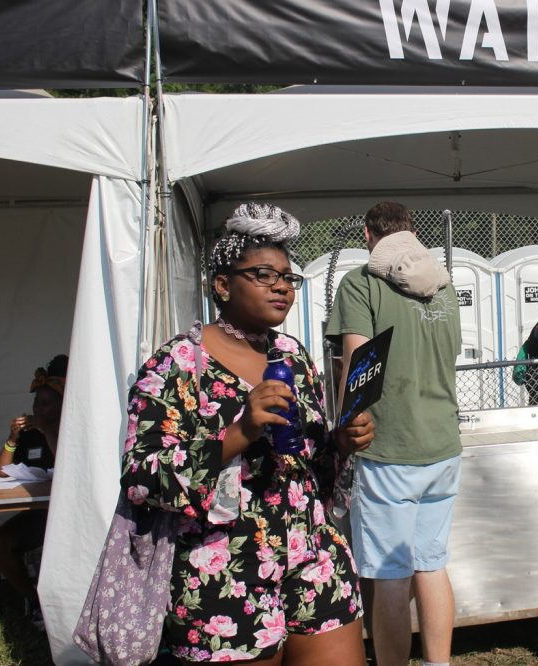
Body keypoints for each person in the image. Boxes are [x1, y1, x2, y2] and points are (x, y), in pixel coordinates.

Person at [121, 202, 374, 664]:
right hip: (225, 567)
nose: (281, 286)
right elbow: (141, 476)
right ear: (222, 284)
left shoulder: (293, 356)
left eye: (288, 277)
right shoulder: (178, 364)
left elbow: (307, 463)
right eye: (263, 274)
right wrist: (239, 432)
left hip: (312, 550)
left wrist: (339, 443)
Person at [326, 201, 461, 666]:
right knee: (432, 564)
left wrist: (346, 429)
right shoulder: (443, 284)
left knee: (389, 575)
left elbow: (358, 364)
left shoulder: (361, 283)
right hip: (443, 444)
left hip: (389, 447)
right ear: (410, 231)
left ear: (368, 234)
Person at [0, 354, 67, 626]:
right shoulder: (30, 433)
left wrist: (48, 431)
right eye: (36, 403)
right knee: (0, 542)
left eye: (45, 404)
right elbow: (1, 472)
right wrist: (12, 439)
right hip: (41, 513)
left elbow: (68, 467)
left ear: (62, 404)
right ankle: (33, 600)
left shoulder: (72, 430)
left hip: (70, 516)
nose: (37, 408)